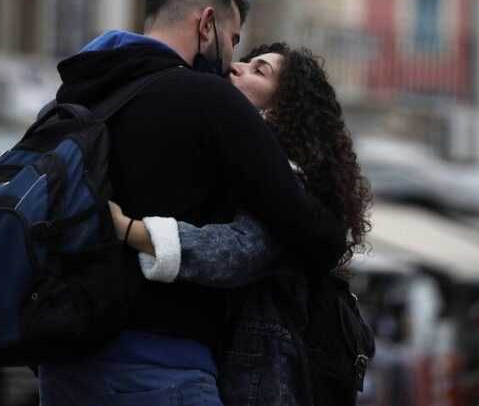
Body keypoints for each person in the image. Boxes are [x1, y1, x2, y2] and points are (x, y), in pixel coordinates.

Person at [36, 0, 346, 406]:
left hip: (62, 360)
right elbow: (307, 234)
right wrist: (132, 231)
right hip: (161, 365)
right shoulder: (211, 101)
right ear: (206, 24)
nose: (233, 64)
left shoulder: (72, 97)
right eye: (234, 41)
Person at [110, 43, 373, 405]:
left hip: (261, 377)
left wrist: (128, 229)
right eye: (245, 61)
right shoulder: (244, 163)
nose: (236, 67)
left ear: (284, 107)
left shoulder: (288, 183)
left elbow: (239, 250)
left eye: (258, 70)